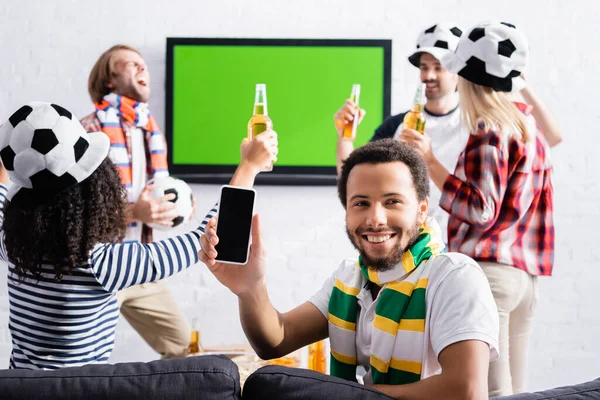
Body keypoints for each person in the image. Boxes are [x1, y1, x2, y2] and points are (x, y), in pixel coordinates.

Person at [199, 139, 499, 399]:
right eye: (361, 203)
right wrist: (251, 289)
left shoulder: (454, 276)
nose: (375, 219)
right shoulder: (348, 279)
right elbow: (275, 340)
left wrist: (347, 397)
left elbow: (466, 391)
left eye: (392, 201)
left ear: (421, 210)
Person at [401, 22, 554, 397]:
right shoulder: (526, 124)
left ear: (468, 79)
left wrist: (430, 161)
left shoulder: (489, 129)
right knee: (517, 391)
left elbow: (481, 209)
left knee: (489, 391)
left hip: (490, 277)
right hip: (524, 277)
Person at [334, 22, 563, 245]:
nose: (429, 75)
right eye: (424, 67)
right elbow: (354, 180)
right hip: (411, 251)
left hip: (464, 252)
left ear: (458, 70)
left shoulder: (484, 126)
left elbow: (551, 137)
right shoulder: (398, 125)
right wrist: (345, 137)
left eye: (439, 66)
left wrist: (518, 81)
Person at [79, 44, 193, 359]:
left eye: (144, 64)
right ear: (110, 78)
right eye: (131, 64)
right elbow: (76, 208)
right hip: (97, 268)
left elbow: (158, 188)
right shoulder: (88, 131)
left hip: (139, 264)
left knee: (183, 345)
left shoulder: (151, 133)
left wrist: (181, 206)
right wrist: (134, 211)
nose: (143, 69)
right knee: (86, 358)